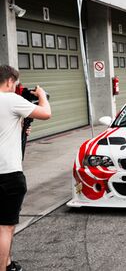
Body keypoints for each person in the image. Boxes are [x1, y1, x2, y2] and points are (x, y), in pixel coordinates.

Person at [0, 65, 51, 271]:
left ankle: (8, 262)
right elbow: (46, 113)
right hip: (8, 173)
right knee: (5, 226)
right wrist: (41, 95)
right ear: (10, 81)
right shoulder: (11, 100)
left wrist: (21, 129)